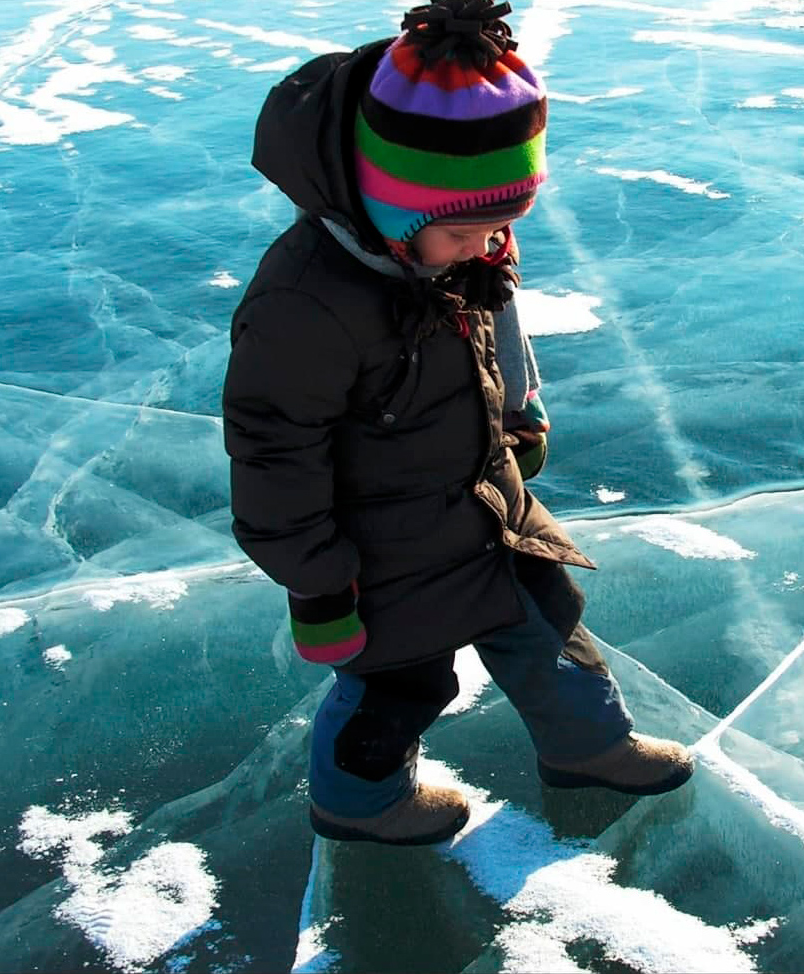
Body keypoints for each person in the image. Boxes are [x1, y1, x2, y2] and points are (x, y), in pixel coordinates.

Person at [222, 0, 693, 846]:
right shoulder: (305, 305)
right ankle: (357, 803)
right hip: (383, 550)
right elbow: (272, 452)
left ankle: (592, 748)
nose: (488, 246)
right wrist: (320, 584)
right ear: (391, 214)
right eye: (467, 231)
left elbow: (496, 326)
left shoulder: (460, 247)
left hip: (484, 503)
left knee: (550, 625)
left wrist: (521, 413)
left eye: (502, 225)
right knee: (399, 684)